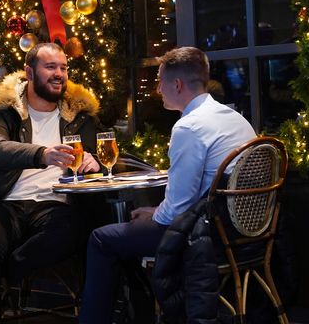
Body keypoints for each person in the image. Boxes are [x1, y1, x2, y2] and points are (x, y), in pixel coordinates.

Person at [77, 46, 256, 324]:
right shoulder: (235, 118)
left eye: (160, 81)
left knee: (102, 239)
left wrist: (155, 214)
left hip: (206, 238)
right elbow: (193, 196)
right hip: (244, 231)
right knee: (129, 234)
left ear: (177, 84)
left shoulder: (189, 127)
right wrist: (155, 210)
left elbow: (177, 211)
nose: (158, 89)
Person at [0, 43, 102, 324]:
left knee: (73, 231)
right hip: (5, 201)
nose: (59, 74)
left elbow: (99, 151)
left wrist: (94, 161)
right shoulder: (3, 110)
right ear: (29, 71)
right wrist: (42, 154)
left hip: (56, 203)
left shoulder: (80, 113)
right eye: (50, 67)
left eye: (63, 68)